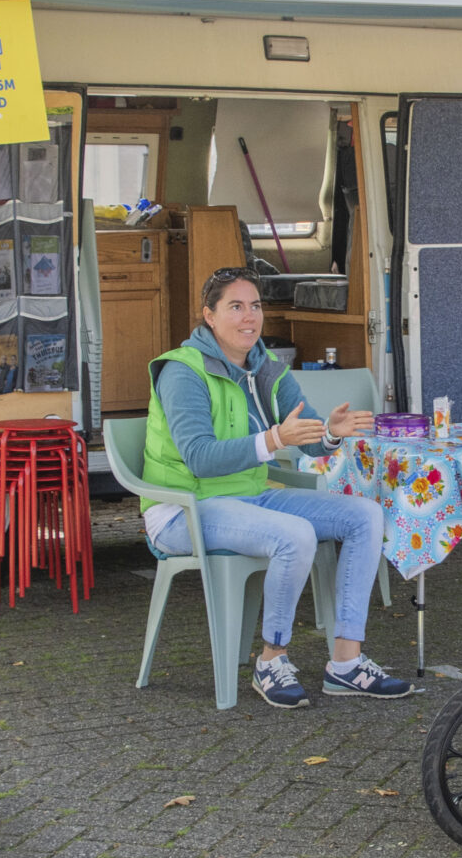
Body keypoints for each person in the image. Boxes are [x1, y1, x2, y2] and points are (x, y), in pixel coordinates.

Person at [141, 267, 409, 709]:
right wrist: (273, 440)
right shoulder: (182, 371)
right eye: (235, 307)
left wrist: (332, 432)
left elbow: (307, 437)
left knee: (365, 515)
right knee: (295, 534)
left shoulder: (266, 368)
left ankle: (345, 663)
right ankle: (272, 660)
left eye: (256, 306)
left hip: (249, 494)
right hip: (183, 507)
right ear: (209, 316)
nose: (249, 318)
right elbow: (200, 459)